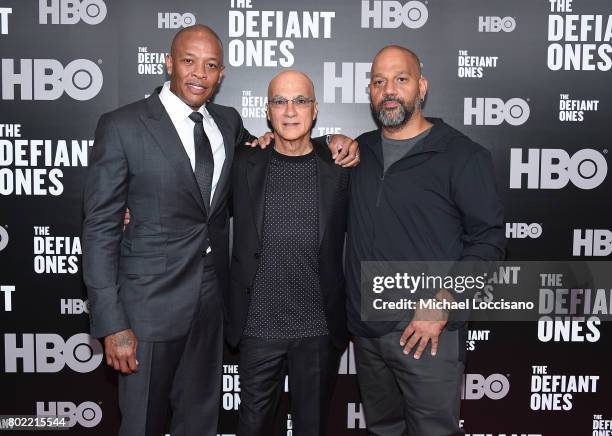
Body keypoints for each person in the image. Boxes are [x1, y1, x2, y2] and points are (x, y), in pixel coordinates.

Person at [82, 24, 358, 436]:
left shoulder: (226, 123)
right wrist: (111, 322)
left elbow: (278, 146)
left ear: (221, 74)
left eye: (211, 65)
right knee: (141, 424)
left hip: (212, 308)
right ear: (168, 63)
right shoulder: (123, 125)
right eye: (189, 61)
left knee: (200, 422)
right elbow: (100, 226)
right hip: (148, 311)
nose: (199, 73)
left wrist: (334, 139)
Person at [345, 45, 506, 436]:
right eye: (379, 81)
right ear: (369, 91)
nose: (389, 90)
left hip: (426, 336)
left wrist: (445, 302)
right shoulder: (358, 151)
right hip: (367, 334)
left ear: (422, 87)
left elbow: (489, 242)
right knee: (383, 429)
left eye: (401, 79)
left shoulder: (462, 156)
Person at [226, 70, 349, 436]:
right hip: (257, 327)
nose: (291, 111)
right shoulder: (241, 164)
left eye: (301, 101)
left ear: (315, 110)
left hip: (318, 329)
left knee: (311, 428)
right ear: (267, 111)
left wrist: (339, 141)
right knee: (252, 427)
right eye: (280, 101)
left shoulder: (341, 167)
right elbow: (194, 203)